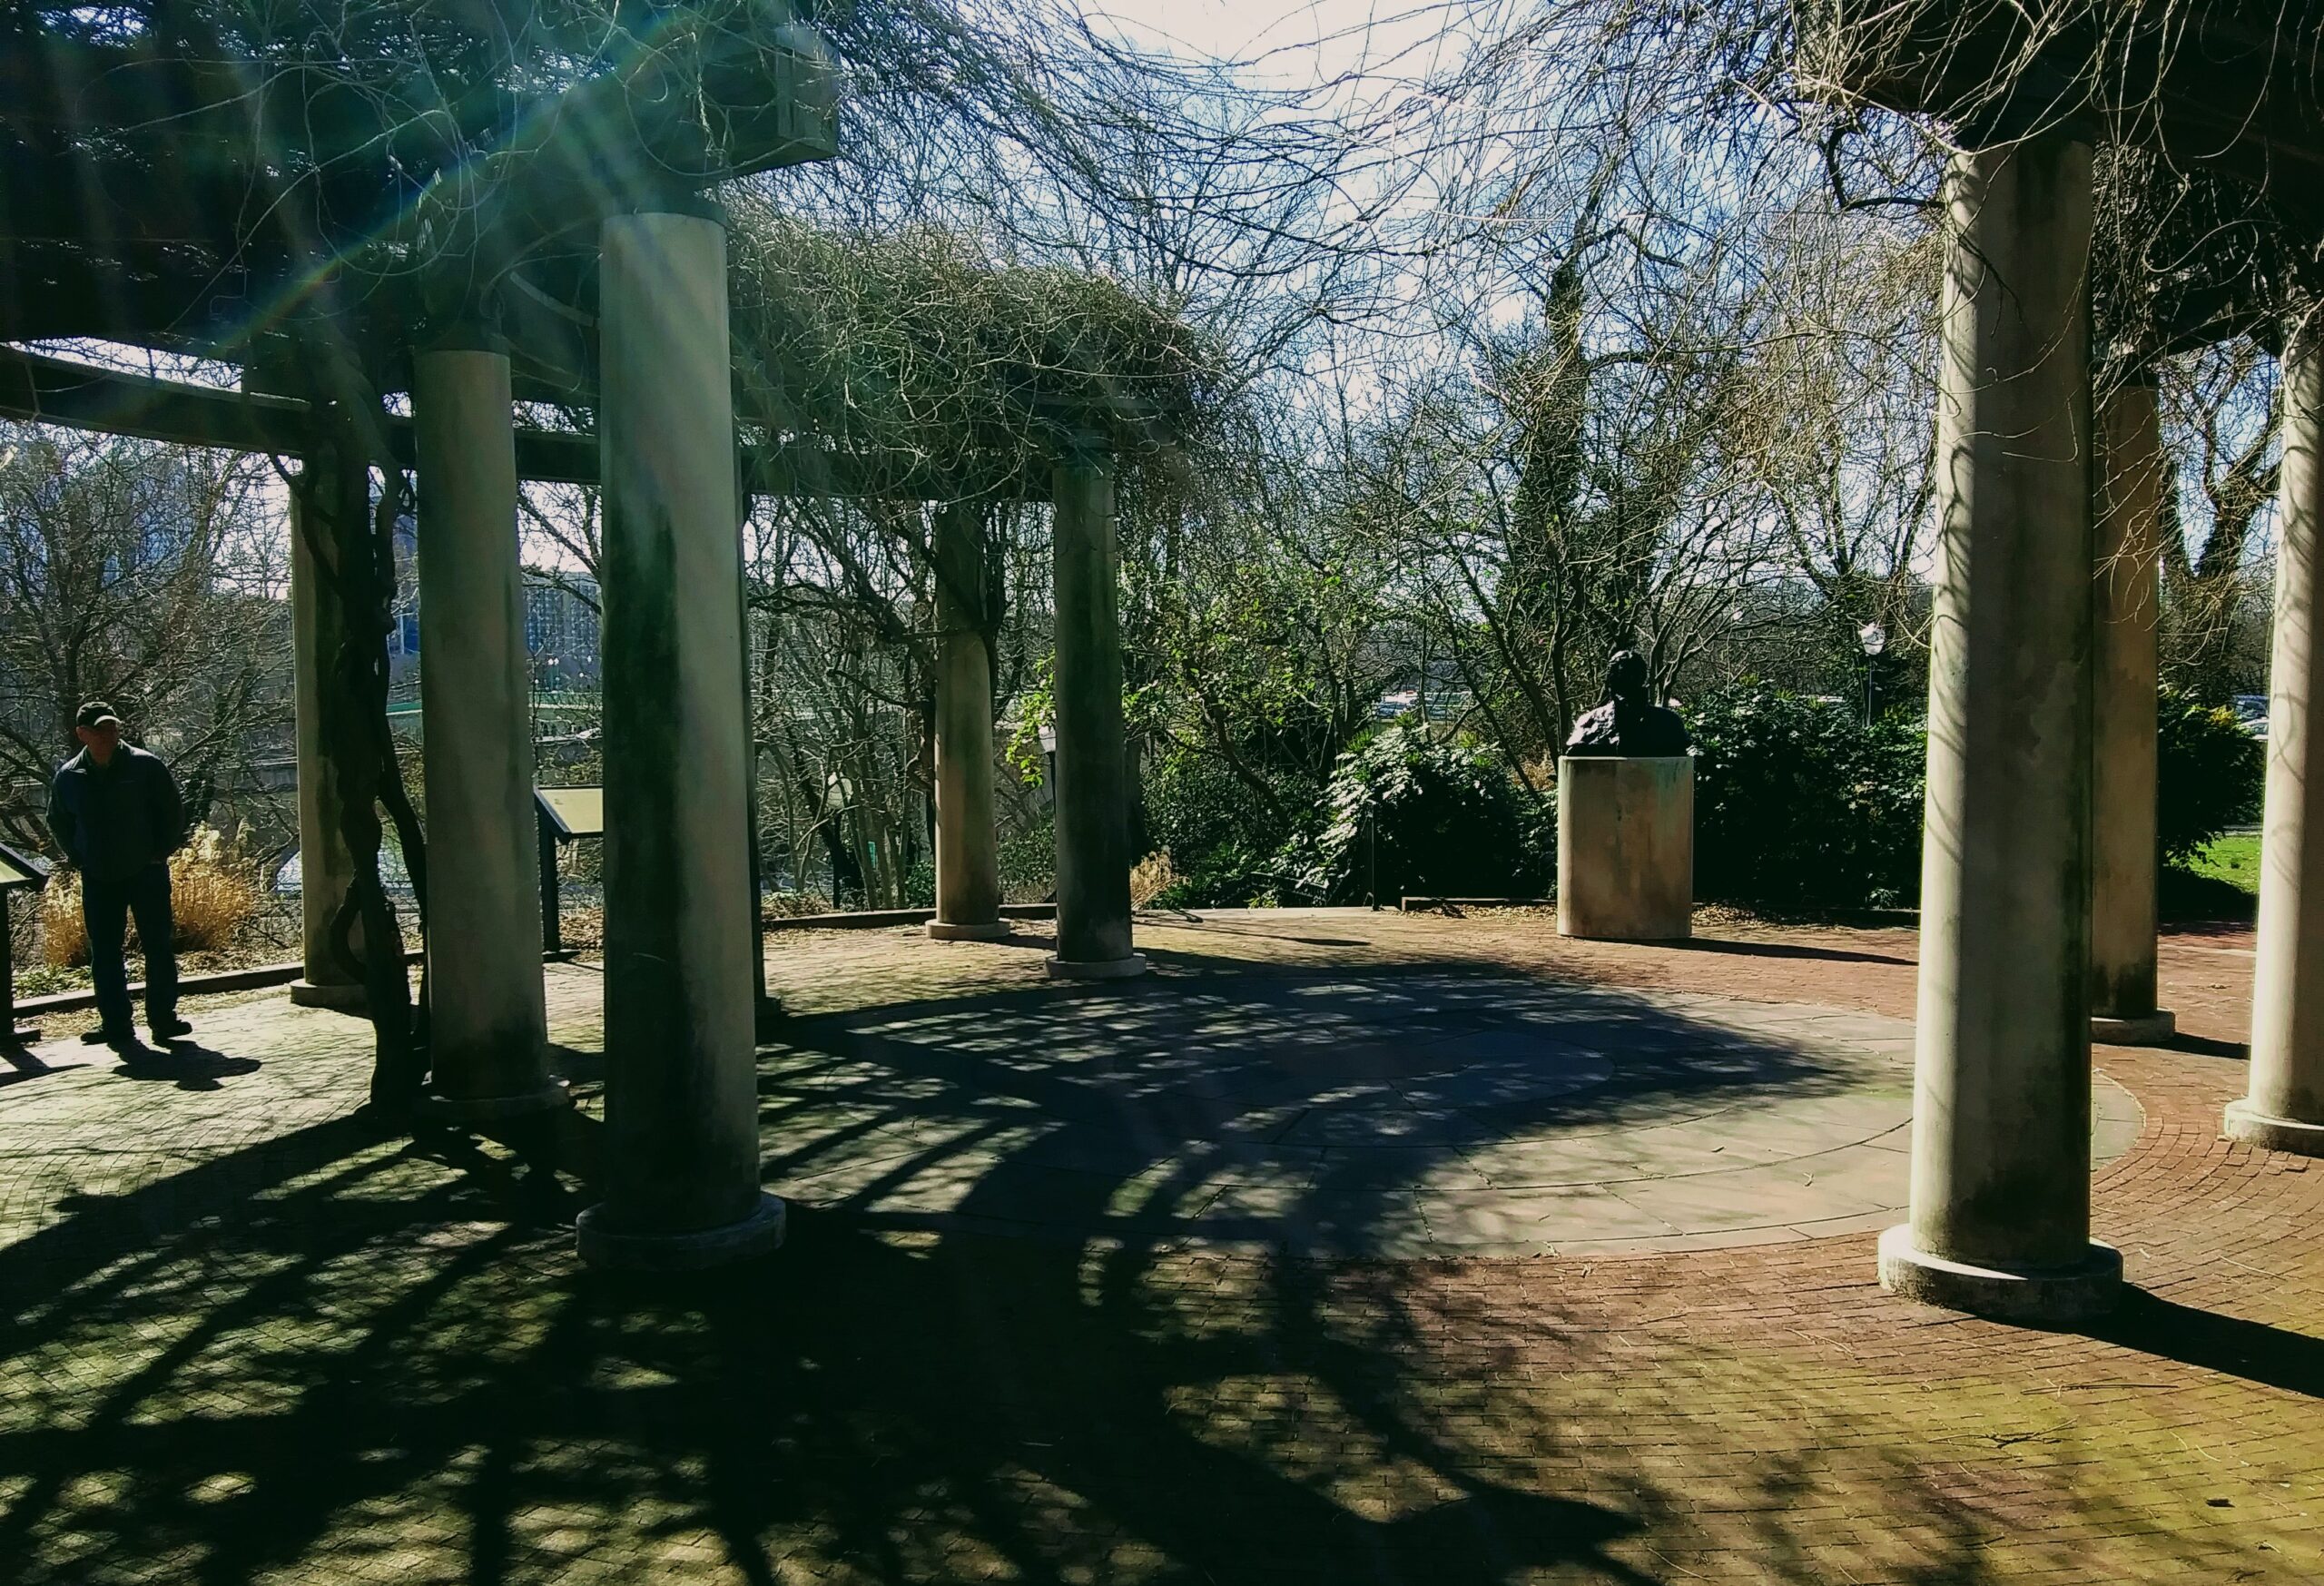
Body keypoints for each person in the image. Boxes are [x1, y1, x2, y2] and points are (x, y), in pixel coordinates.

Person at [47, 702, 191, 1048]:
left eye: (112, 728)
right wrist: (78, 857)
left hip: (147, 872)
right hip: (98, 875)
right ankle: (115, 1024)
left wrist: (159, 853)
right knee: (105, 951)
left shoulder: (145, 765)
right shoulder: (69, 775)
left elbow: (172, 812)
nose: (108, 735)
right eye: (99, 729)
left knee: (157, 946)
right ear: (82, 734)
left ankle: (163, 1019)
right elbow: (59, 820)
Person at [1563, 648, 1692, 757]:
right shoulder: (1589, 721)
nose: (1630, 681)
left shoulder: (1668, 722)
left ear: (1642, 678)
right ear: (1612, 680)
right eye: (1623, 676)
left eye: (1635, 675)